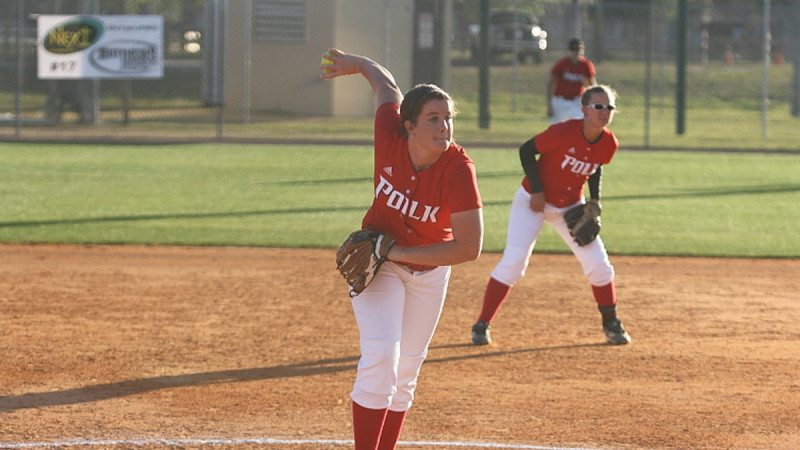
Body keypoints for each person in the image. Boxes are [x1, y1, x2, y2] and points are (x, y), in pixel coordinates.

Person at [320, 48, 484, 450]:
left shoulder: (459, 170)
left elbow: (468, 248)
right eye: (433, 118)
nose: (444, 126)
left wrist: (398, 253)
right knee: (381, 356)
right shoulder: (388, 132)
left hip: (424, 269)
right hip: (379, 265)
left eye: (448, 119)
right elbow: (385, 82)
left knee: (408, 368)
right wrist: (357, 64)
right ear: (407, 125)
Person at [471, 84, 630, 347]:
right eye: (598, 106)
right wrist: (537, 190)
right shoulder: (563, 132)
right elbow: (526, 150)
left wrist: (594, 199)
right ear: (584, 110)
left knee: (599, 265)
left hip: (570, 207)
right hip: (532, 202)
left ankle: (611, 323)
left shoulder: (609, 143)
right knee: (514, 262)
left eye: (609, 107)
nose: (604, 111)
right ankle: (481, 324)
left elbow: (596, 167)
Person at [547, 38, 597, 124]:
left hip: (577, 101)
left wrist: (595, 103)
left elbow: (592, 85)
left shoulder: (586, 65)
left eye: (578, 49)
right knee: (557, 130)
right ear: (569, 51)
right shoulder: (562, 64)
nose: (576, 52)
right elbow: (551, 84)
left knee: (580, 127)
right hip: (561, 101)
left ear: (583, 50)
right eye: (573, 50)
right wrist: (549, 106)